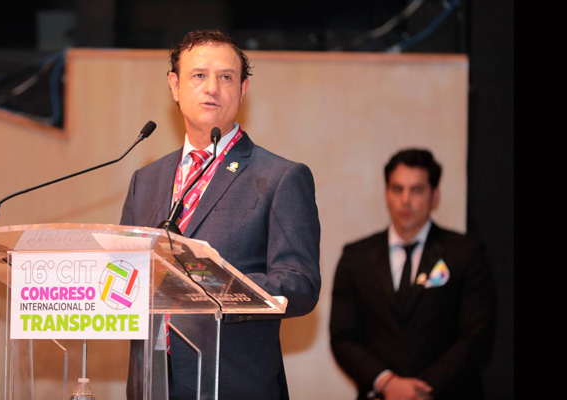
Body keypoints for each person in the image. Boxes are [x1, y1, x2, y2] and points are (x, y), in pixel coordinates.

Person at [120, 29, 321, 400]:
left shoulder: (280, 177)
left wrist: (216, 288)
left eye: (226, 77)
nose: (212, 88)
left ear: (243, 90)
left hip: (233, 385)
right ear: (174, 86)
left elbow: (300, 285)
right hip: (152, 384)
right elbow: (124, 276)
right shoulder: (144, 181)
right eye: (199, 75)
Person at [329, 149, 495, 400]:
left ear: (434, 195)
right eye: (397, 189)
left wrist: (420, 389)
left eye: (417, 190)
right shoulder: (355, 257)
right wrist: (387, 382)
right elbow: (343, 337)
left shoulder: (466, 254)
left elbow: (477, 337)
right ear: (386, 193)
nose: (405, 200)